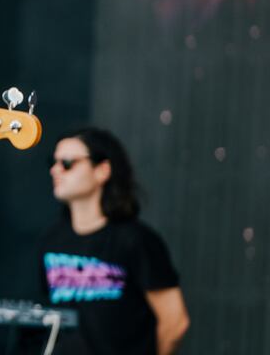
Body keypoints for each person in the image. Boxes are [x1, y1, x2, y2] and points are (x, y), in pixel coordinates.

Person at [40, 127, 190, 354]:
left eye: (68, 163)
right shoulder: (52, 241)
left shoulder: (136, 240)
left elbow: (175, 322)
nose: (55, 170)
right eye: (53, 162)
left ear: (102, 171)